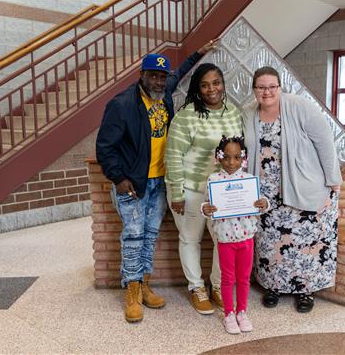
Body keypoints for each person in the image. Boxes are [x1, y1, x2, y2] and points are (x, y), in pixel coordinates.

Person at [95, 40, 217, 323]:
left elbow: (179, 72)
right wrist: (119, 178)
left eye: (163, 76)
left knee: (150, 235)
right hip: (134, 184)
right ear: (142, 75)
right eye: (154, 75)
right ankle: (132, 290)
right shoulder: (122, 104)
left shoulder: (163, 94)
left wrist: (199, 52)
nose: (159, 80)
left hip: (160, 182)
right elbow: (105, 147)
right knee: (134, 235)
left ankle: (144, 282)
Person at [242, 66, 342, 313]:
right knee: (269, 242)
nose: (267, 92)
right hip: (265, 193)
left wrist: (333, 179)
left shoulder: (299, 106)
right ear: (254, 89)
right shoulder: (248, 113)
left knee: (305, 241)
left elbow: (324, 141)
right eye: (261, 87)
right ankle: (273, 286)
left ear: (280, 87)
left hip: (301, 185)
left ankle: (305, 291)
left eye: (272, 86)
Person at [164, 63, 242, 315]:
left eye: (216, 82)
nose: (212, 89)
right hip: (190, 188)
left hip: (222, 191)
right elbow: (173, 155)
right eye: (205, 84)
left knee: (223, 239)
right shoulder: (186, 116)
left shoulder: (233, 112)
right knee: (190, 238)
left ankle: (217, 286)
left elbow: (239, 151)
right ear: (198, 89)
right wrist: (177, 192)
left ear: (223, 84)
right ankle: (196, 287)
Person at [201, 135, 269, 334]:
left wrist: (264, 203)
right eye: (227, 157)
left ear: (243, 158)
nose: (232, 162)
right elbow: (206, 203)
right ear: (219, 157)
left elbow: (260, 201)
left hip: (247, 238)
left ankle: (242, 312)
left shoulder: (248, 180)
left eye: (237, 157)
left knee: (244, 278)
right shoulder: (214, 180)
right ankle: (229, 314)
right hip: (224, 239)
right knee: (227, 278)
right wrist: (205, 208)